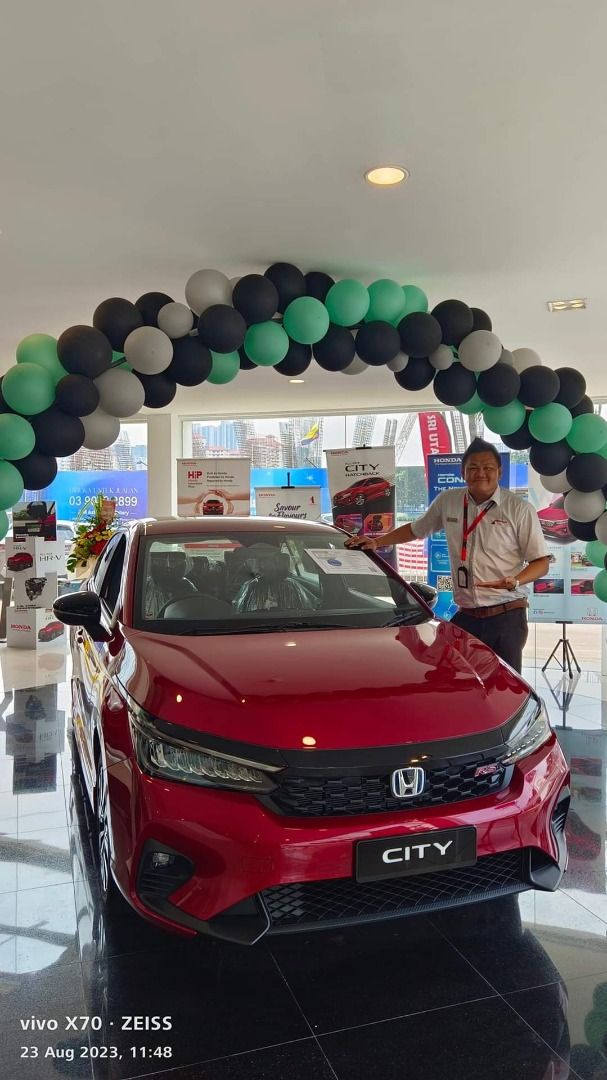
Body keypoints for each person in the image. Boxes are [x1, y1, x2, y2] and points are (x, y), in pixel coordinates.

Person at [346, 438, 549, 672]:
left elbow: (541, 562)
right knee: (458, 679)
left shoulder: (519, 509)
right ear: (463, 472)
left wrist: (515, 581)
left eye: (488, 467)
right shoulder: (449, 501)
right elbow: (416, 529)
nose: (480, 473)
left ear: (499, 472)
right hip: (467, 615)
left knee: (504, 684)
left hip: (506, 615)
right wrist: (377, 542)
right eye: (473, 467)